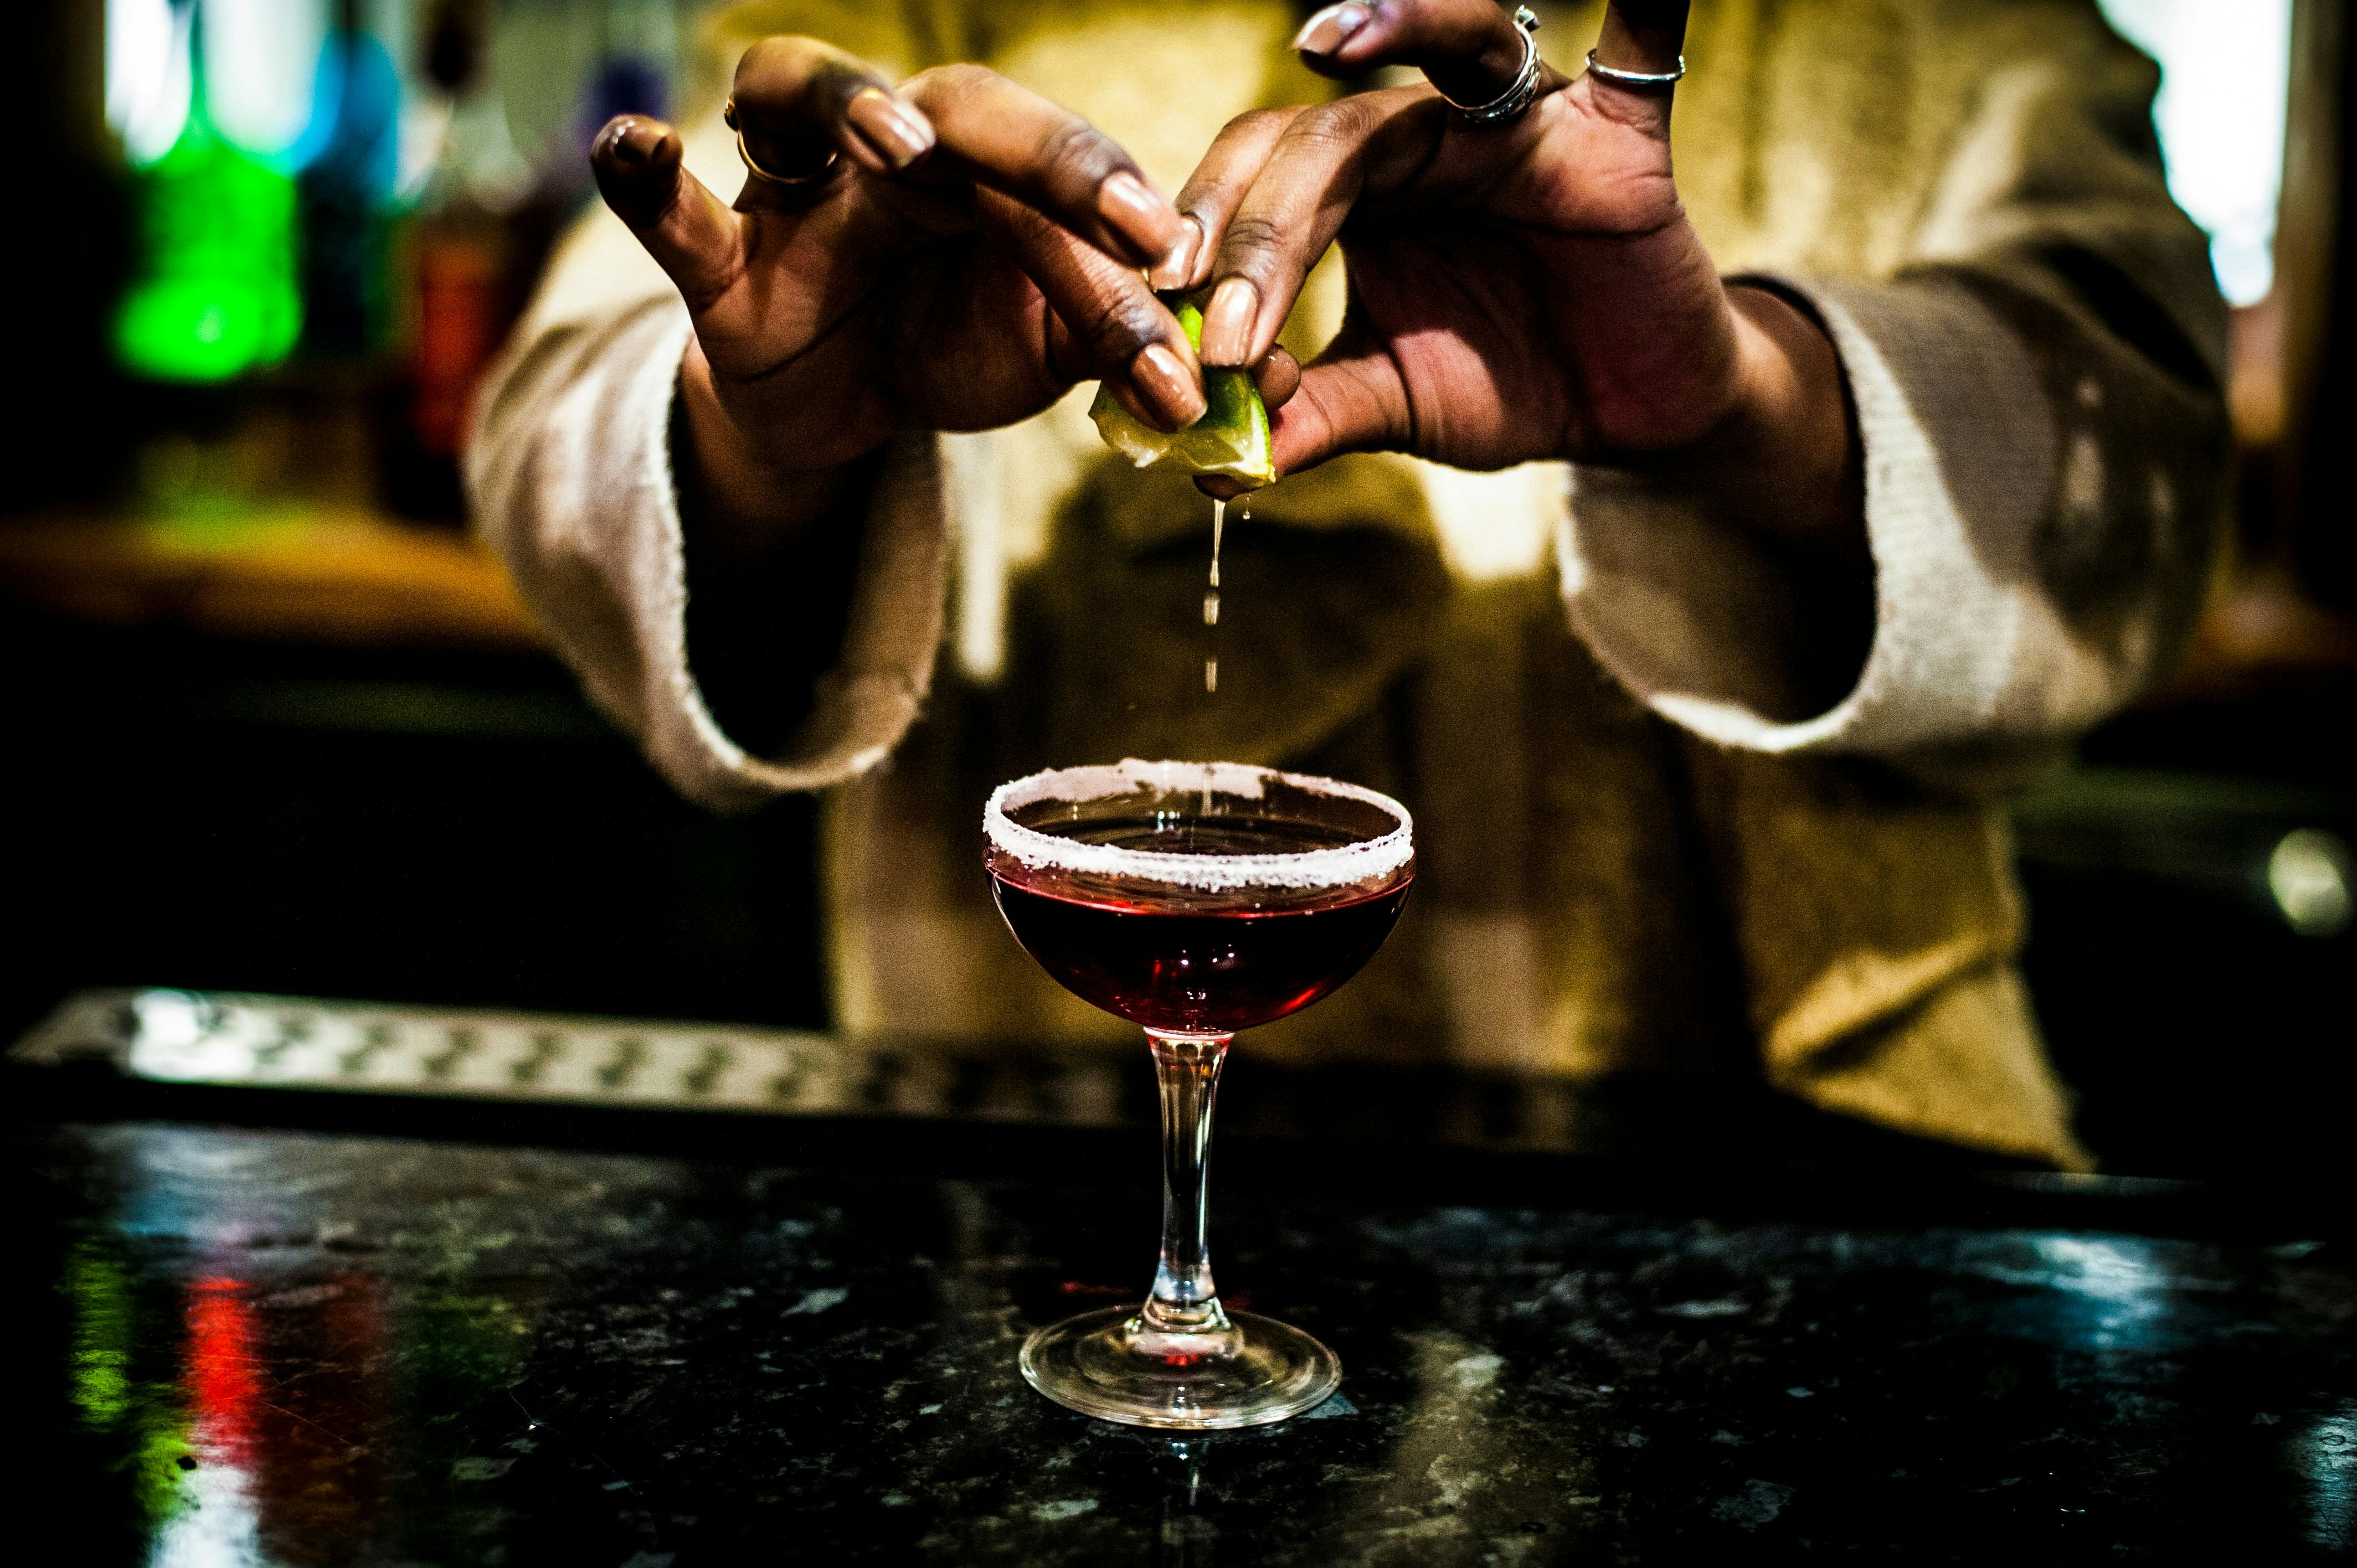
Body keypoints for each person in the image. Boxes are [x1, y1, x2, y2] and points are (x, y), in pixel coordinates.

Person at [471, 0, 2229, 1170]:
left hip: (1781, 1171)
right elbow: (569, 422)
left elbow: (2134, 467)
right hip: (1027, 1149)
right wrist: (767, 433)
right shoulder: (925, 12)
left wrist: (1737, 399)